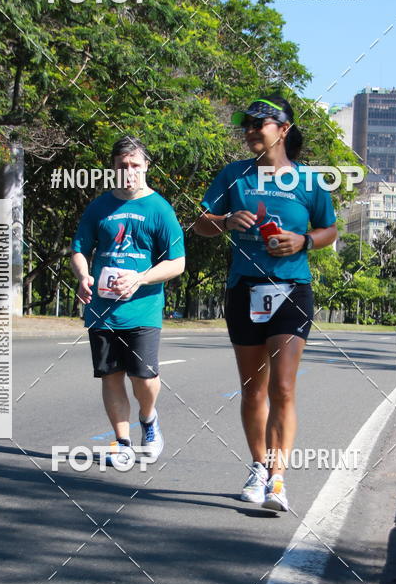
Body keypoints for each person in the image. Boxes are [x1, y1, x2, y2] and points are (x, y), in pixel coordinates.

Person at [194, 95, 337, 512]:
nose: (252, 130)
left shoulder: (310, 181)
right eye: (248, 124)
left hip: (292, 288)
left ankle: (278, 479)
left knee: (284, 386)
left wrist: (304, 240)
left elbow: (329, 230)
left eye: (262, 123)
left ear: (284, 129)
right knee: (253, 389)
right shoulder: (233, 176)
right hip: (244, 288)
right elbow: (200, 223)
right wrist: (223, 221)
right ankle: (257, 467)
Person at [71, 136, 185, 462]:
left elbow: (178, 262)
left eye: (136, 165)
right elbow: (79, 249)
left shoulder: (159, 209)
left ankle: (148, 418)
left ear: (146, 166)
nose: (129, 172)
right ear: (113, 167)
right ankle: (122, 444)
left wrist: (140, 277)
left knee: (144, 378)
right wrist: (83, 276)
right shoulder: (99, 207)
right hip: (102, 309)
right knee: (111, 376)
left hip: (143, 308)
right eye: (123, 166)